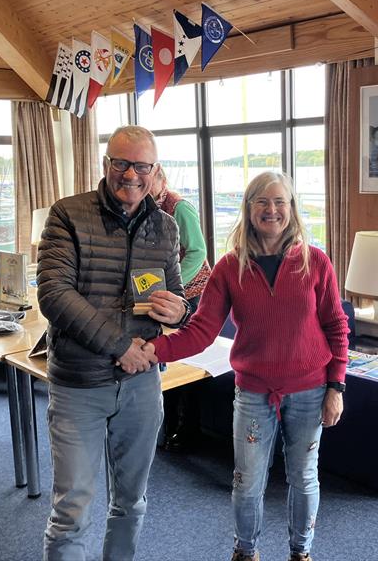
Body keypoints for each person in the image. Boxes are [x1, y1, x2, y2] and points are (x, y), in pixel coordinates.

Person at [150, 171, 350, 561]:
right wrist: (154, 349)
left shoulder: (316, 262)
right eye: (262, 201)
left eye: (280, 202)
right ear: (249, 208)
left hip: (310, 390)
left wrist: (336, 387)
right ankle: (246, 552)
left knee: (304, 478)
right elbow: (202, 331)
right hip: (255, 393)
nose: (271, 210)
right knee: (246, 482)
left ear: (292, 209)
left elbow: (336, 326)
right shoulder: (229, 268)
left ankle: (301, 552)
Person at [37, 125, 190, 561]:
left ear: (154, 171)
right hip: (78, 387)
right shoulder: (67, 214)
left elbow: (176, 295)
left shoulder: (165, 227)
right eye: (121, 163)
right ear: (106, 164)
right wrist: (120, 345)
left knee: (131, 503)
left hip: (141, 385)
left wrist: (180, 312)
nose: (130, 175)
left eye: (141, 166)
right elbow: (54, 294)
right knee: (73, 511)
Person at [150, 165, 211, 452]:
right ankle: (169, 426)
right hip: (163, 295)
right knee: (167, 360)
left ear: (160, 178)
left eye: (148, 182)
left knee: (188, 364)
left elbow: (198, 252)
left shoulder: (180, 208)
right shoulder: (145, 209)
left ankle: (190, 431)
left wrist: (173, 287)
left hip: (192, 294)